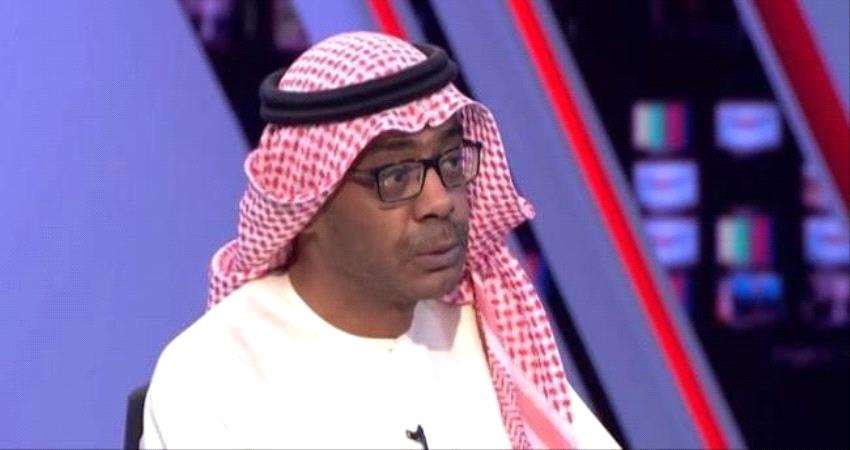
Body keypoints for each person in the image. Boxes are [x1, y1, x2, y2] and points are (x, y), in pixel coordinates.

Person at [141, 31, 619, 449]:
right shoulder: (212, 374)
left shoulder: (491, 333)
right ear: (308, 205)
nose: (440, 201)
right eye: (397, 176)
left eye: (452, 161)